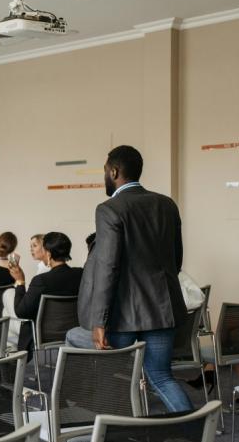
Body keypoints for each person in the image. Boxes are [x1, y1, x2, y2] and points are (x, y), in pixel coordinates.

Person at [76, 145, 193, 414]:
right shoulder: (166, 204)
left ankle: (115, 437)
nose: (104, 176)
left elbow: (107, 267)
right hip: (162, 311)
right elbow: (176, 260)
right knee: (161, 377)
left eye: (105, 171)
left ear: (114, 172)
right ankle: (196, 432)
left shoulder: (109, 209)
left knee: (112, 379)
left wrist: (99, 321)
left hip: (123, 316)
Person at [8, 232, 83, 357]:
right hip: (73, 334)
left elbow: (21, 312)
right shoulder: (80, 274)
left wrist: (20, 281)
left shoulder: (41, 280)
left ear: (48, 253)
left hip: (44, 338)